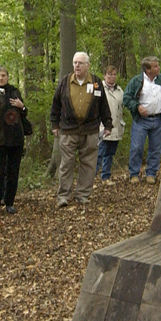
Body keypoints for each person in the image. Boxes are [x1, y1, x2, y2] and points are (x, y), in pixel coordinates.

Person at [50, 52, 112, 207]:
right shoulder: (65, 82)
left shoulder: (96, 82)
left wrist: (108, 124)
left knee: (89, 164)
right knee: (67, 163)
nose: (77, 66)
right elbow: (56, 105)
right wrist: (54, 125)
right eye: (75, 62)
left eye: (80, 63)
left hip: (90, 130)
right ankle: (63, 195)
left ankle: (82, 194)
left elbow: (103, 105)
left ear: (88, 65)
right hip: (68, 130)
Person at [0, 66, 28, 216]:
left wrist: (22, 107)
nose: (1, 78)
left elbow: (24, 114)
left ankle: (9, 202)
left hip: (15, 138)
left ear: (8, 77)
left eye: (3, 75)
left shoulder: (15, 92)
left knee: (13, 172)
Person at [123, 56, 161, 184]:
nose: (158, 68)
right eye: (155, 66)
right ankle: (134, 174)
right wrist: (138, 107)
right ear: (147, 69)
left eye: (158, 65)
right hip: (141, 120)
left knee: (155, 148)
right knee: (137, 147)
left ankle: (151, 173)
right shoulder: (137, 81)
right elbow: (126, 98)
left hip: (158, 119)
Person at [96, 65, 125, 183]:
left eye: (114, 75)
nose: (112, 77)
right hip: (102, 127)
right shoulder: (98, 88)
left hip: (116, 126)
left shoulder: (120, 91)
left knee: (110, 154)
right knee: (98, 154)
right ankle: (90, 179)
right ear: (104, 75)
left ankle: (106, 177)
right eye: (109, 74)